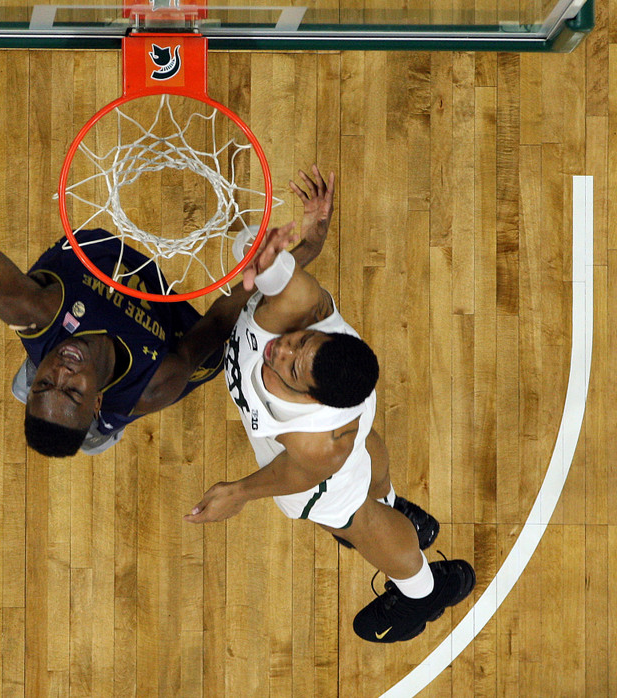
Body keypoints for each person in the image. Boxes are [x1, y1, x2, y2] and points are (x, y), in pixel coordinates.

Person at [184, 165, 476, 643]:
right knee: (362, 463)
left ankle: (422, 592)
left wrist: (237, 491)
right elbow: (273, 269)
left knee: (354, 517)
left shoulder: (316, 441)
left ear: (313, 397)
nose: (283, 350)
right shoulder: (304, 308)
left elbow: (293, 474)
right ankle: (389, 506)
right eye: (302, 342)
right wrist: (277, 255)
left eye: (293, 366)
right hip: (347, 429)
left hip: (317, 471)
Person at [0, 226, 260, 458]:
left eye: (45, 383)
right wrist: (270, 268)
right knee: (211, 358)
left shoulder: (38, 309)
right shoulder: (155, 383)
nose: (62, 371)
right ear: (95, 402)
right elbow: (218, 323)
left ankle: (52, 396)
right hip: (159, 341)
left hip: (77, 300)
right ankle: (97, 435)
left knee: (40, 331)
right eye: (73, 390)